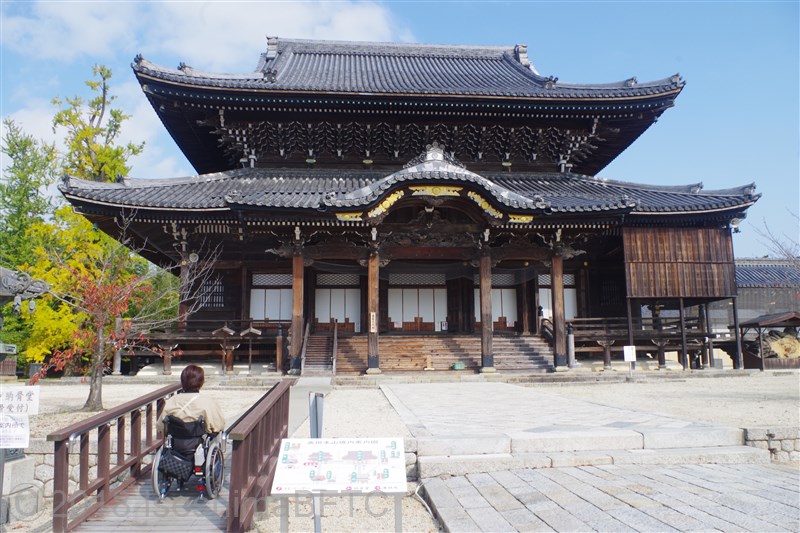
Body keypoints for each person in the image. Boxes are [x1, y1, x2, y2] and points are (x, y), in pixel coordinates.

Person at [158, 364, 225, 434]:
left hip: (176, 441)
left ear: (182, 381)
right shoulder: (208, 402)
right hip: (200, 441)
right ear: (201, 382)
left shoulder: (172, 401)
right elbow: (218, 425)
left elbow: (160, 426)